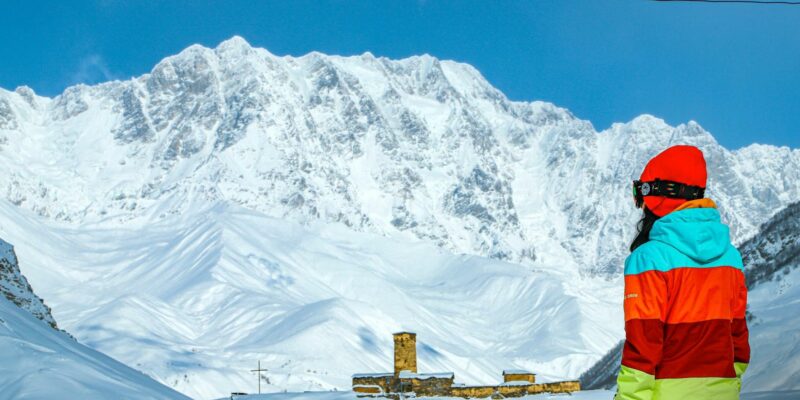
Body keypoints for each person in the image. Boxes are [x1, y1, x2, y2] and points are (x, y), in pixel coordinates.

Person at [615, 145, 750, 400]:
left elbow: (642, 348)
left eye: (640, 194)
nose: (640, 206)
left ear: (656, 197)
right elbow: (738, 341)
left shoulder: (648, 258)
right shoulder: (731, 257)